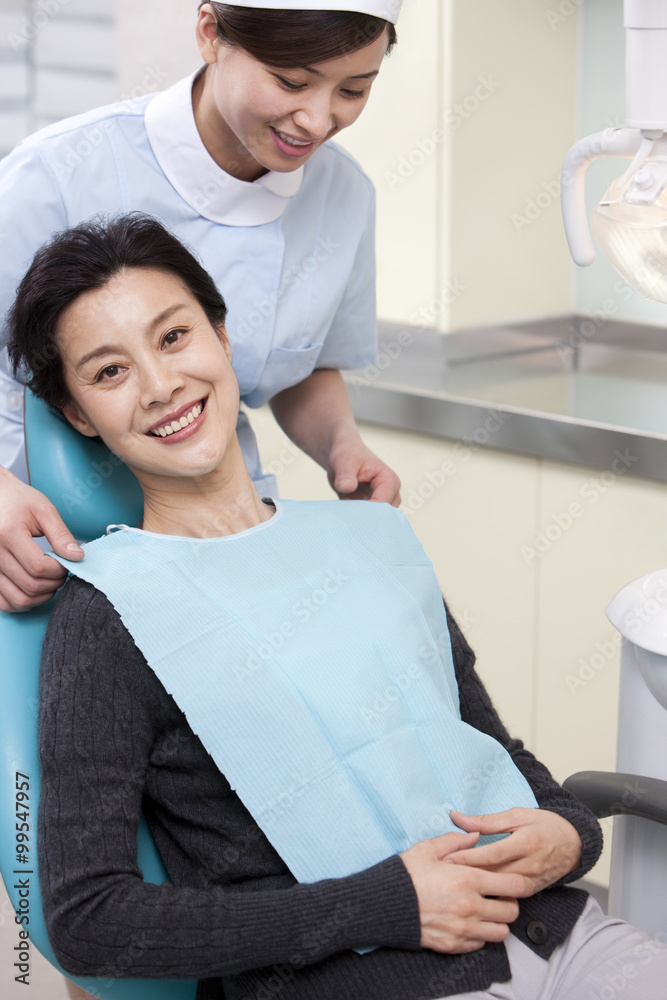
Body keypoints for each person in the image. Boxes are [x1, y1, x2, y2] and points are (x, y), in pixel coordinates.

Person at [9, 216, 667, 1000]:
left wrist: (568, 833)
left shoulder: (369, 539)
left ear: (220, 336)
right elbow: (90, 920)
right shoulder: (110, 612)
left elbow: (491, 751)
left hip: (561, 936)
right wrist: (384, 906)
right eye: (109, 373)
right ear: (80, 415)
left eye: (175, 337)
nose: (160, 386)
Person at [0, 0, 404, 615]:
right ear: (211, 33)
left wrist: (342, 445)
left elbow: (305, 364)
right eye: (291, 81)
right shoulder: (55, 174)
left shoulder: (343, 197)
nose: (316, 120)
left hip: (219, 548)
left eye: (353, 89)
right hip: (34, 548)